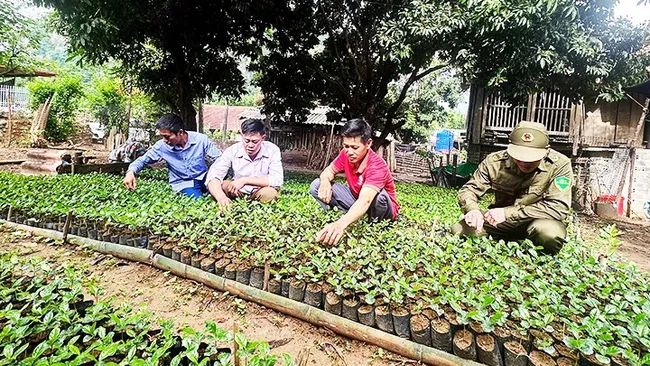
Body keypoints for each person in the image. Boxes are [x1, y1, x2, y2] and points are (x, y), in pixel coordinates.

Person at [451, 121, 573, 254]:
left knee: (549, 235)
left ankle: (533, 248)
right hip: (501, 222)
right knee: (459, 230)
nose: (525, 162)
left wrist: (507, 213)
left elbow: (558, 208)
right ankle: (512, 241)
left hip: (539, 221)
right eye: (519, 156)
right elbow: (469, 189)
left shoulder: (560, 165)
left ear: (546, 151)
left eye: (533, 157)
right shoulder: (494, 162)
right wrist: (472, 210)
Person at [310, 118, 400, 246]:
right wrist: (325, 181)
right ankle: (348, 217)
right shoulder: (345, 154)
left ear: (368, 144)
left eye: (355, 147)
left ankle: (373, 225)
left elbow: (366, 200)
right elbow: (328, 171)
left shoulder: (377, 165)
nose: (349, 152)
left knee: (380, 197)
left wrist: (340, 225)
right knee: (316, 185)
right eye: (346, 146)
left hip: (380, 208)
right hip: (357, 199)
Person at [123, 113, 222, 199]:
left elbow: (219, 158)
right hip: (184, 182)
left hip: (204, 178)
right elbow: (143, 160)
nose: (164, 140)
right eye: (162, 136)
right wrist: (130, 172)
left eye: (167, 136)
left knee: (222, 191)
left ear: (180, 132)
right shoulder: (161, 146)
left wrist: (214, 174)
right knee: (199, 201)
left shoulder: (201, 139)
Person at [206, 118, 283, 207]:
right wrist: (221, 197)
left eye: (255, 141)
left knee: (270, 194)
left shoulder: (272, 150)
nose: (250, 145)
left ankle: (255, 203)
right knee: (221, 186)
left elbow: (277, 179)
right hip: (236, 191)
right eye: (246, 141)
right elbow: (214, 176)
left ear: (263, 138)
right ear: (242, 136)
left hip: (260, 190)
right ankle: (228, 201)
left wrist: (245, 180)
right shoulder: (232, 150)